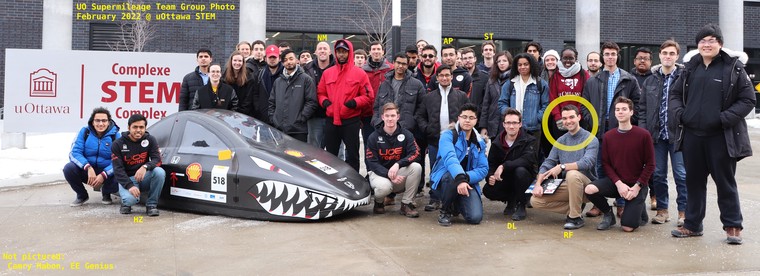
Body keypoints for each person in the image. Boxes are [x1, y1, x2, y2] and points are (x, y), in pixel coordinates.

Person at [669, 23, 755, 245]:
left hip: (721, 137)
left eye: (711, 40)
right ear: (697, 45)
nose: (706, 44)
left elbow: (748, 100)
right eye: (702, 41)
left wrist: (723, 119)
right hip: (692, 136)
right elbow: (675, 94)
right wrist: (681, 114)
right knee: (694, 182)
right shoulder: (689, 68)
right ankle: (693, 225)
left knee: (725, 182)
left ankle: (733, 226)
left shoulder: (733, 68)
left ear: (720, 44)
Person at [580, 41, 640, 218]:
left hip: (621, 130)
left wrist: (628, 121)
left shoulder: (628, 79)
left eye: (613, 54)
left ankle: (621, 203)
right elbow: (584, 104)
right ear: (602, 57)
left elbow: (638, 103)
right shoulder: (594, 81)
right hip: (599, 130)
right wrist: (593, 121)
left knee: (620, 166)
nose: (610, 57)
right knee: (599, 166)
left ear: (617, 56)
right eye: (607, 54)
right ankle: (601, 205)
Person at [585, 97, 655, 232]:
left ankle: (639, 211)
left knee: (627, 227)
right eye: (617, 109)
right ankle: (608, 214)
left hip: (637, 185)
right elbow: (606, 164)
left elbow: (651, 164)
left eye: (624, 109)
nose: (620, 112)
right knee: (589, 189)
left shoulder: (643, 135)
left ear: (631, 112)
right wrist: (618, 183)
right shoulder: (609, 136)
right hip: (617, 184)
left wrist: (637, 187)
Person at [639, 39, 687, 226]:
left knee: (681, 175)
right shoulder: (651, 80)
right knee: (658, 174)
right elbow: (642, 108)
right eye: (665, 53)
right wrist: (644, 132)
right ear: (660, 55)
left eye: (672, 53)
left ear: (677, 56)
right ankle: (662, 210)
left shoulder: (684, 78)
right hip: (656, 136)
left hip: (678, 136)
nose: (668, 56)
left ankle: (683, 212)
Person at [530, 105, 598, 229]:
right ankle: (574, 207)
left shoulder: (590, 139)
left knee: (572, 174)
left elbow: (588, 162)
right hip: (569, 185)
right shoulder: (561, 141)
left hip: (588, 187)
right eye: (565, 118)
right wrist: (538, 184)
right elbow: (548, 163)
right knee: (535, 200)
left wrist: (562, 167)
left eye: (571, 117)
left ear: (579, 117)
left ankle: (575, 218)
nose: (568, 121)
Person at [416, 65, 469, 211]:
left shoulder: (461, 96)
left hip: (455, 141)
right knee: (435, 169)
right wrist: (427, 129)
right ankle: (435, 197)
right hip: (435, 140)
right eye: (441, 75)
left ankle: (453, 198)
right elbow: (420, 116)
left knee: (454, 167)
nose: (445, 78)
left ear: (451, 77)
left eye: (447, 75)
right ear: (437, 78)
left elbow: (468, 115)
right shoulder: (429, 97)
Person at [317, 39, 374, 172]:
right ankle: (331, 183)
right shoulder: (328, 73)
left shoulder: (359, 73)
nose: (341, 55)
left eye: (344, 52)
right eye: (339, 52)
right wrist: (325, 102)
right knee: (330, 156)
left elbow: (368, 95)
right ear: (335, 54)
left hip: (351, 121)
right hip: (331, 121)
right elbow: (320, 92)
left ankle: (354, 183)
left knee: (353, 155)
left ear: (350, 53)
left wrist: (354, 103)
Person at [430, 103, 488, 226]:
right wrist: (460, 178)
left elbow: (483, 168)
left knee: (475, 217)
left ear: (476, 120)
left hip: (466, 182)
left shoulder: (479, 142)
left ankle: (456, 203)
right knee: (451, 176)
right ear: (459, 118)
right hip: (446, 179)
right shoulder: (448, 136)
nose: (467, 120)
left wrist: (466, 178)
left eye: (471, 118)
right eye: (464, 117)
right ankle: (445, 210)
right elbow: (450, 159)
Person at [366, 103, 422, 217]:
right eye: (387, 116)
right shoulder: (373, 137)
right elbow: (371, 163)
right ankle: (379, 203)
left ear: (398, 117)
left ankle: (406, 204)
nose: (390, 119)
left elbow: (416, 153)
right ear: (382, 117)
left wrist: (398, 164)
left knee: (416, 167)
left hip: (398, 173)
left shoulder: (406, 134)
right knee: (384, 187)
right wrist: (388, 174)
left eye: (392, 115)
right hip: (379, 175)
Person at [484, 108, 537, 220]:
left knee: (520, 171)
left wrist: (504, 166)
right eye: (508, 123)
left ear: (520, 124)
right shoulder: (496, 142)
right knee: (488, 190)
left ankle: (521, 204)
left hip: (525, 178)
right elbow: (491, 164)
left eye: (514, 123)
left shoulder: (529, 140)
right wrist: (491, 176)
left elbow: (527, 160)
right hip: (506, 179)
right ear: (503, 124)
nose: (511, 126)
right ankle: (511, 200)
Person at [64, 107, 121, 206]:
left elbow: (119, 160)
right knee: (68, 168)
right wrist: (88, 167)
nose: (100, 124)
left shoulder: (115, 135)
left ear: (109, 122)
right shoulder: (85, 132)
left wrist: (104, 174)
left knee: (120, 171)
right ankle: (82, 195)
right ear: (92, 122)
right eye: (97, 120)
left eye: (104, 120)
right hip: (88, 171)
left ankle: (106, 193)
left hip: (107, 173)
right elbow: (74, 153)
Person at [111, 114, 165, 216]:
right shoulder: (117, 144)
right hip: (127, 179)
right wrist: (129, 185)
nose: (138, 130)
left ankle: (151, 205)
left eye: (141, 127)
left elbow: (157, 159)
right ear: (128, 128)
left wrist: (145, 167)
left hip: (143, 177)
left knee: (159, 172)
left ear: (145, 128)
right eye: (135, 127)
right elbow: (118, 170)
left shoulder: (150, 139)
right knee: (130, 200)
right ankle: (125, 202)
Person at [497, 53, 549, 157]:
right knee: (513, 156)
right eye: (520, 65)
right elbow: (501, 103)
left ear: (531, 65)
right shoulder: (510, 83)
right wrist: (509, 115)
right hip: (513, 128)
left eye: (526, 64)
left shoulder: (540, 83)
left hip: (533, 128)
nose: (522, 67)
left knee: (532, 158)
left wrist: (537, 117)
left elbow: (546, 105)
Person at [268, 49, 317, 142]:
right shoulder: (278, 81)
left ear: (297, 60)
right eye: (285, 60)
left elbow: (311, 102)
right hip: (280, 129)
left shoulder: (306, 79)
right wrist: (273, 119)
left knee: (297, 156)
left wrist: (301, 118)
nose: (288, 62)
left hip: (298, 130)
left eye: (291, 59)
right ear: (282, 63)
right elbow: (271, 102)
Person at [549, 47, 589, 140]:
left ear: (576, 59)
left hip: (579, 119)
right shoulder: (555, 75)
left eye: (571, 58)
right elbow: (553, 97)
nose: (567, 61)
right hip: (560, 120)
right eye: (565, 58)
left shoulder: (584, 74)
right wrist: (558, 117)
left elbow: (585, 97)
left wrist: (577, 116)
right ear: (561, 59)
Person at [362, 41, 393, 146]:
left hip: (385, 114)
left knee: (386, 145)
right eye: (373, 49)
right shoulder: (362, 71)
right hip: (367, 114)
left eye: (378, 49)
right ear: (369, 52)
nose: (376, 51)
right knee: (369, 144)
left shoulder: (391, 69)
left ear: (383, 52)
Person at [304, 41, 335, 149]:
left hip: (333, 116)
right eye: (320, 49)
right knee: (314, 151)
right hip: (314, 116)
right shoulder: (307, 69)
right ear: (315, 52)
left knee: (336, 152)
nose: (322, 51)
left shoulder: (338, 68)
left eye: (325, 48)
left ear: (330, 52)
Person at [480, 51, 512, 140]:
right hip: (492, 122)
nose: (501, 63)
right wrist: (483, 126)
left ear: (509, 62)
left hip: (509, 122)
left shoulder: (514, 80)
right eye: (499, 61)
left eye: (504, 61)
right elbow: (485, 104)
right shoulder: (491, 80)